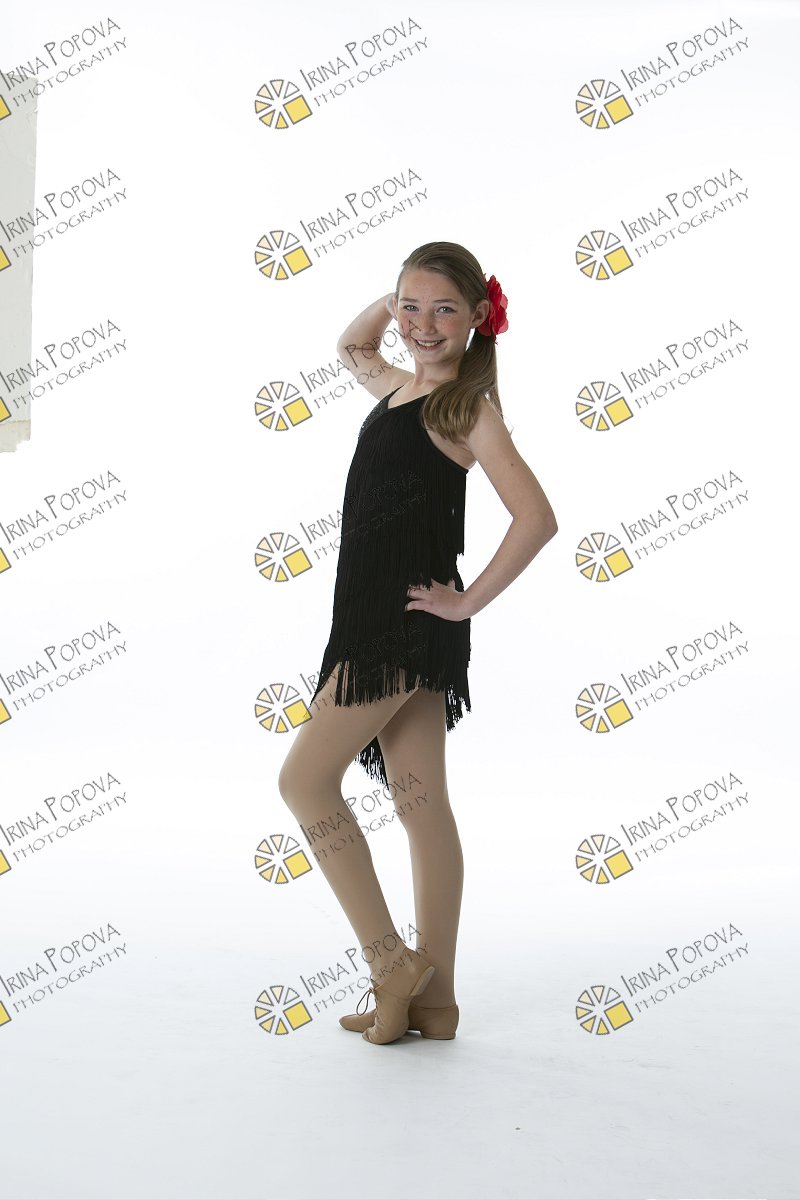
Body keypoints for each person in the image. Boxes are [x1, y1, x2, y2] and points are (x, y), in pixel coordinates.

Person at [278, 241, 558, 1045]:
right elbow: (351, 346)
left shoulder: (465, 411)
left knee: (304, 782)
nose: (422, 325)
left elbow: (537, 518)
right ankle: (437, 1004)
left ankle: (393, 965)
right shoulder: (400, 386)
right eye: (411, 307)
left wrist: (465, 603)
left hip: (399, 627)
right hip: (384, 619)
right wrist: (396, 299)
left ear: (477, 318)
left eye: (444, 310)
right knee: (421, 803)